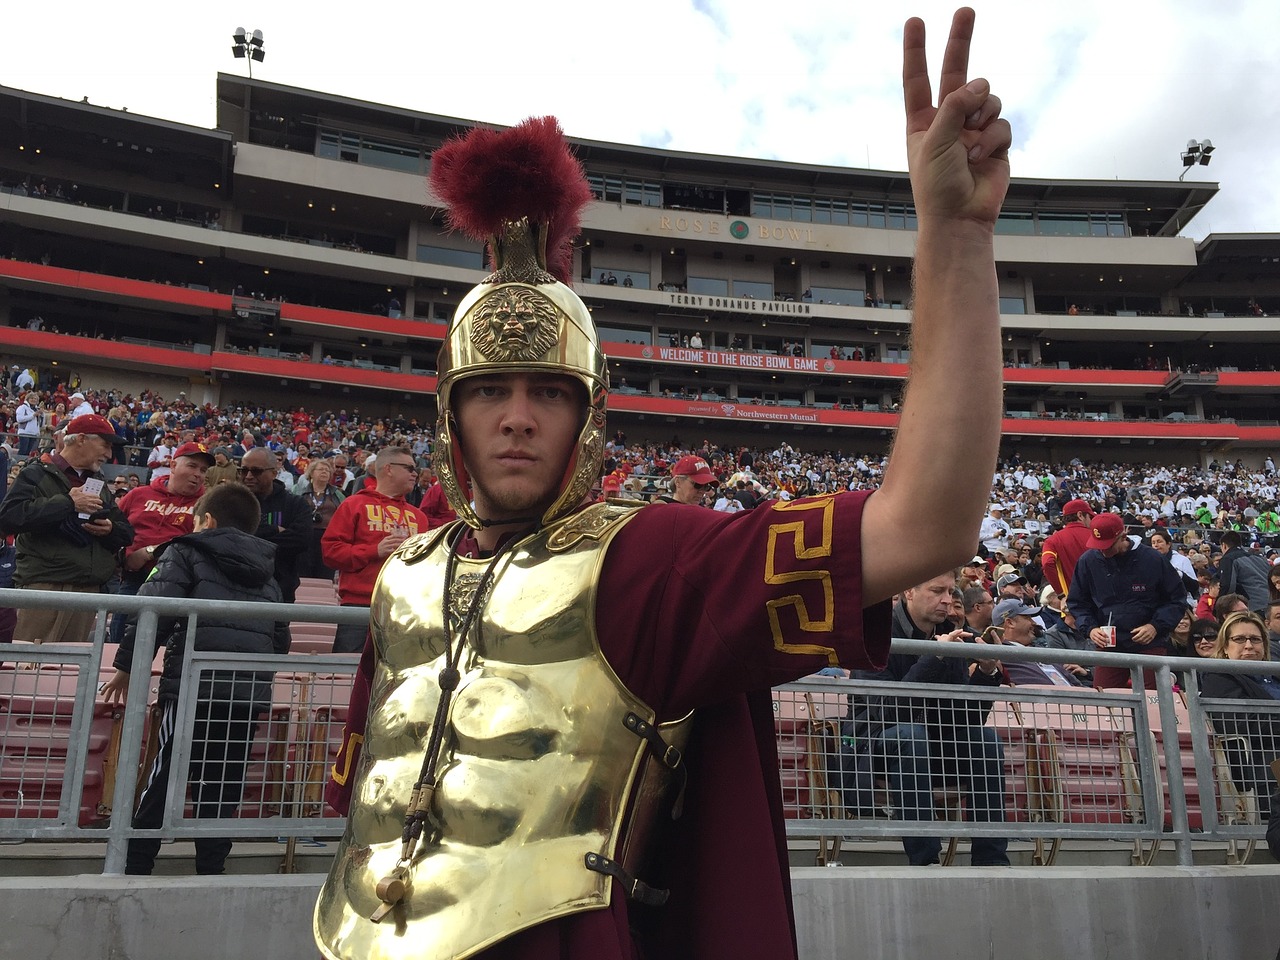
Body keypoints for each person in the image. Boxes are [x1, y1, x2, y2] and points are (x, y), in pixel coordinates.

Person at [315, 10, 1010, 958]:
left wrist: (955, 238)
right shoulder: (402, 578)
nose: (517, 417)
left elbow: (926, 525)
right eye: (490, 393)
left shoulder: (651, 562)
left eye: (547, 394)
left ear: (588, 418)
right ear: (450, 415)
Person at [101, 482, 292, 875]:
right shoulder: (269, 570)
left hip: (193, 686)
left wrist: (126, 667)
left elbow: (155, 610)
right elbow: (280, 639)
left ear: (207, 520)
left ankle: (136, 864)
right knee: (224, 780)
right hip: (245, 693)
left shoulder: (184, 550)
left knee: (166, 773)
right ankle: (211, 867)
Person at [848, 573, 1009, 865]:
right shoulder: (877, 633)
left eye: (949, 592)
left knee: (985, 740)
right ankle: (925, 860)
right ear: (909, 591)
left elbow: (964, 720)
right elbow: (884, 711)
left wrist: (986, 674)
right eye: (937, 591)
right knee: (911, 735)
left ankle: (992, 859)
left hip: (930, 748)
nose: (947, 600)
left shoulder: (951, 636)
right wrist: (934, 658)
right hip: (874, 749)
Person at [0, 413, 134, 644]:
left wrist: (109, 529)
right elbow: (9, 518)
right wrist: (68, 502)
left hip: (87, 591)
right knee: (30, 670)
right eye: (105, 445)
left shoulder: (97, 483)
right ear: (81, 439)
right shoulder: (35, 472)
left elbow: (126, 532)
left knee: (69, 673)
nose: (109, 454)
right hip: (45, 587)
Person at [321, 446, 429, 653]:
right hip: (360, 607)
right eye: (409, 468)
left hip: (402, 609)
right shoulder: (354, 505)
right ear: (389, 469)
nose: (415, 473)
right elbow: (330, 552)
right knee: (347, 676)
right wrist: (373, 551)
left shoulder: (419, 517)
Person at [1068, 512, 1186, 689]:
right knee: (1105, 698)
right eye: (1098, 545)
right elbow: (1077, 602)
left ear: (1122, 536)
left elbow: (1176, 599)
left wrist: (1155, 626)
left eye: (1107, 545)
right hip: (1109, 642)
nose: (1102, 550)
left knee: (1152, 700)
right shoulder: (1088, 560)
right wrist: (1091, 629)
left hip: (1148, 641)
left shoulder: (1153, 559)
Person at [110, 441, 214, 642]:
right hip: (134, 582)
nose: (198, 474)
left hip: (178, 588)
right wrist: (122, 557)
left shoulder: (207, 504)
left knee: (165, 654)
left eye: (203, 470)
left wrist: (151, 550)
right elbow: (114, 529)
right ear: (173, 466)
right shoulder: (138, 495)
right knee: (118, 646)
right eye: (192, 466)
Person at [1198, 611, 1280, 817]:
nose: (1249, 645)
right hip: (1262, 764)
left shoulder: (1274, 677)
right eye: (1240, 639)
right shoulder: (1219, 678)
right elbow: (1239, 724)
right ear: (1225, 646)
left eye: (1255, 639)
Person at [236, 446, 312, 603]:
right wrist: (274, 530)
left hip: (280, 592)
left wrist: (249, 539)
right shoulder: (231, 502)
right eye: (243, 470)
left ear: (273, 473)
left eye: (256, 471)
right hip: (236, 591)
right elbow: (226, 538)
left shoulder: (295, 504)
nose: (248, 476)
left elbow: (301, 540)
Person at [991, 597, 1083, 686]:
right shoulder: (1002, 657)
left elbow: (1076, 684)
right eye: (1027, 618)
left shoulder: (1042, 652)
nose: (1034, 623)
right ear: (1010, 623)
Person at [1039, 498, 1095, 598]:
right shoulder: (1097, 537)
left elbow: (1047, 564)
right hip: (1104, 601)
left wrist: (1060, 593)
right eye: (1089, 517)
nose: (1091, 520)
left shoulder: (1053, 540)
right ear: (1080, 515)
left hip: (1074, 603)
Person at [1219, 530, 1272, 612]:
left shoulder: (1228, 558)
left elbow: (1228, 587)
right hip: (1271, 605)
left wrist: (1217, 608)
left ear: (1224, 545)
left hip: (1252, 607)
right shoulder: (1260, 558)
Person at [15, 391, 42, 458]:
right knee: (23, 450)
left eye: (35, 399)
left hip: (33, 434)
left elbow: (39, 423)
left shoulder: (37, 409)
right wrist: (33, 415)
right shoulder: (22, 407)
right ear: (27, 399)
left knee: (28, 452)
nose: (33, 400)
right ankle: (18, 463)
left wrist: (41, 415)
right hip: (24, 432)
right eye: (32, 398)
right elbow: (19, 419)